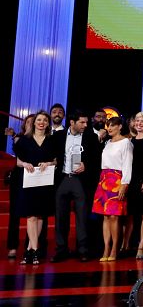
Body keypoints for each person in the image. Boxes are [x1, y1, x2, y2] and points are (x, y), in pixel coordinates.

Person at [51, 110, 102, 263]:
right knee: (60, 217)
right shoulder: (58, 137)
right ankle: (61, 249)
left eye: (87, 122)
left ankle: (83, 250)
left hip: (81, 181)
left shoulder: (91, 137)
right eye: (82, 122)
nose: (86, 125)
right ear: (72, 122)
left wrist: (86, 165)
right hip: (63, 179)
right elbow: (51, 155)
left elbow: (97, 159)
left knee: (82, 217)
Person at [15, 111, 58, 265]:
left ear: (47, 123)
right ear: (34, 122)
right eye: (39, 120)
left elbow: (55, 161)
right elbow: (18, 161)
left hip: (44, 182)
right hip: (29, 182)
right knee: (31, 216)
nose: (41, 122)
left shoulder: (51, 140)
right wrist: (25, 164)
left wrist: (48, 163)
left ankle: (30, 250)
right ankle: (35, 249)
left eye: (45, 120)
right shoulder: (24, 140)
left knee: (40, 216)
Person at [91, 116, 133, 262]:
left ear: (120, 126)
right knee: (105, 216)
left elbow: (128, 164)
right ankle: (106, 248)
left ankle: (115, 248)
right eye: (108, 125)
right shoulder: (107, 142)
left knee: (114, 216)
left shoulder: (126, 142)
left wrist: (124, 183)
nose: (109, 128)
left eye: (112, 125)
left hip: (117, 179)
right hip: (104, 179)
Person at [122, 112, 143, 260]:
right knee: (129, 214)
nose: (139, 123)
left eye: (142, 121)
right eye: (137, 120)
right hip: (131, 179)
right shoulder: (129, 141)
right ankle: (125, 245)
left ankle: (142, 245)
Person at [5, 114, 34, 259]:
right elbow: (17, 157)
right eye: (28, 122)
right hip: (19, 177)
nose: (30, 124)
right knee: (14, 214)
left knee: (33, 214)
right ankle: (12, 247)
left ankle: (31, 246)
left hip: (34, 178)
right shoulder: (20, 139)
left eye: (33, 122)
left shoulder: (41, 140)